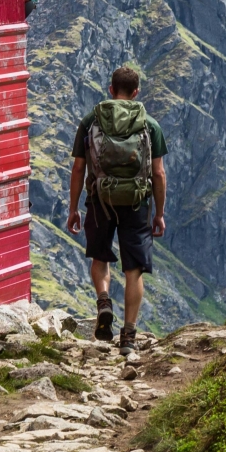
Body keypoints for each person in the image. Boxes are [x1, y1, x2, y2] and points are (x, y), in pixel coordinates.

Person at [65, 66, 167, 354]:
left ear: (111, 89)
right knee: (133, 270)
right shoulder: (150, 125)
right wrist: (159, 213)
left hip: (100, 200)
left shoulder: (90, 121)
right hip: (137, 203)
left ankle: (104, 301)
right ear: (136, 93)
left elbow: (78, 168)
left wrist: (73, 208)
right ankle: (129, 337)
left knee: (100, 258)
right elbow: (158, 173)